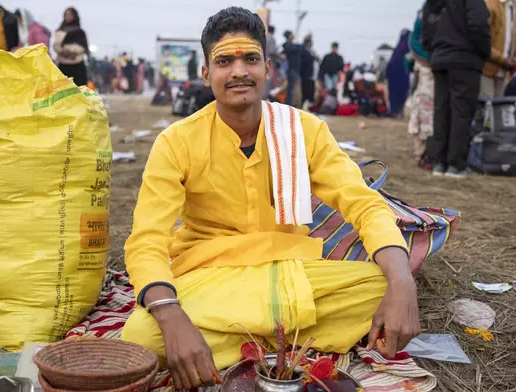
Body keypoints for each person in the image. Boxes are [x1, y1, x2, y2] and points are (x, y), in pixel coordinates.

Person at [121, 6, 420, 389]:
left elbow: (362, 203)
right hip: (212, 277)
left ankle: (234, 341)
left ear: (268, 69)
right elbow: (147, 240)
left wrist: (402, 281)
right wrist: (171, 315)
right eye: (224, 61)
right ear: (205, 73)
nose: (239, 71)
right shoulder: (177, 142)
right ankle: (287, 339)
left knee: (384, 287)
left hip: (290, 269)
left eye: (250, 59)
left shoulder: (303, 130)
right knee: (143, 335)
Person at [422, 0, 491, 178]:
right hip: (465, 58)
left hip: (440, 58)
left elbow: (426, 29)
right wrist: (484, 52)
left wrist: (434, 50)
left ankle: (439, 162)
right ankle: (455, 165)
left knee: (441, 110)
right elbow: (480, 24)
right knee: (461, 111)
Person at [408, 9, 435, 169]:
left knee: (426, 118)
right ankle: (421, 154)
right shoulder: (417, 38)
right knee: (423, 118)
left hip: (429, 81)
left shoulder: (419, 39)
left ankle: (424, 154)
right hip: (425, 82)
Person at [481, 0, 516, 99]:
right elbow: (483, 41)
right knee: (486, 108)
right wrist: (502, 59)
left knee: (499, 109)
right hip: (486, 69)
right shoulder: (490, 5)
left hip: (505, 71)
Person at [53, 7, 89, 87]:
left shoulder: (80, 32)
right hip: (63, 64)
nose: (68, 17)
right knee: (63, 90)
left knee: (80, 89)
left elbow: (83, 47)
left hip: (77, 64)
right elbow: (56, 45)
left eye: (70, 15)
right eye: (66, 15)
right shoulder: (60, 31)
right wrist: (65, 51)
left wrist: (73, 51)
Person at [386, 29, 411, 118]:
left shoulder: (397, 49)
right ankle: (397, 112)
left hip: (394, 75)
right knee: (401, 93)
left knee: (394, 94)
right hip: (401, 76)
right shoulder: (406, 48)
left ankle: (395, 111)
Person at [282, 30, 302, 106]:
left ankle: (289, 103)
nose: (293, 36)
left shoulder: (291, 45)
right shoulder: (287, 45)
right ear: (289, 36)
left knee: (291, 88)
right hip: (291, 69)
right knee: (291, 88)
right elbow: (299, 48)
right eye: (291, 34)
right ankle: (288, 104)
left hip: (295, 69)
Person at [300, 34, 317, 107]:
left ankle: (309, 105)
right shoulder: (304, 51)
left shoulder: (312, 51)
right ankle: (304, 105)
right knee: (306, 91)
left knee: (311, 91)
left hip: (312, 75)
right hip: (306, 75)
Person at [263, 25, 279, 99]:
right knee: (268, 81)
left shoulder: (264, 37)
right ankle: (264, 98)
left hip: (262, 60)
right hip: (270, 62)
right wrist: (279, 55)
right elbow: (272, 51)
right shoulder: (272, 38)